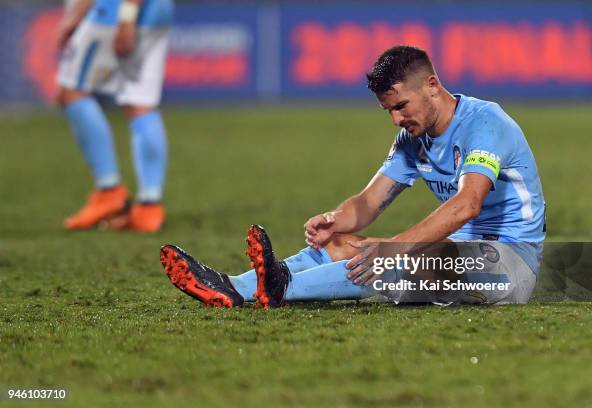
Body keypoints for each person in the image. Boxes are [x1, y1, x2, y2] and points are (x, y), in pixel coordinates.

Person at [160, 45, 546, 308]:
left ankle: (282, 288)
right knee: (344, 245)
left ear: (431, 85)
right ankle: (236, 288)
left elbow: (466, 205)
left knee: (398, 255)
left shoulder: (484, 123)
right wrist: (334, 219)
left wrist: (393, 246)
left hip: (509, 264)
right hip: (460, 253)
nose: (396, 119)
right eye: (388, 111)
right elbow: (368, 202)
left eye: (401, 106)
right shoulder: (412, 136)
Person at [57, 0, 173, 232]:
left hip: (116, 10)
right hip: (158, 10)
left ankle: (108, 191)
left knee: (71, 91)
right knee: (140, 104)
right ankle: (149, 208)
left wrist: (126, 16)